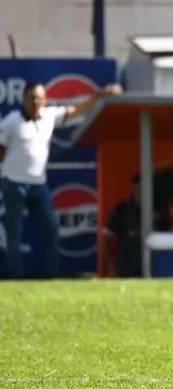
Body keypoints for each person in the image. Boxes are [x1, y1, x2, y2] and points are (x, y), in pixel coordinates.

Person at [0, 81, 120, 279]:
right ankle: (16, 276)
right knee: (15, 232)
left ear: (45, 100)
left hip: (39, 184)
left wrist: (98, 95)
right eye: (31, 98)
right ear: (23, 100)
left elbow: (76, 111)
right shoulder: (12, 121)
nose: (36, 102)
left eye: (39, 98)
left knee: (52, 227)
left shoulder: (49, 116)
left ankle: (50, 275)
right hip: (14, 184)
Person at [103, 173, 171, 278]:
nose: (140, 192)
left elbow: (170, 235)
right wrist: (111, 264)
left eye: (143, 188)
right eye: (137, 188)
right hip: (127, 267)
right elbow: (108, 236)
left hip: (156, 267)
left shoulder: (159, 208)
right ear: (132, 189)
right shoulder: (122, 209)